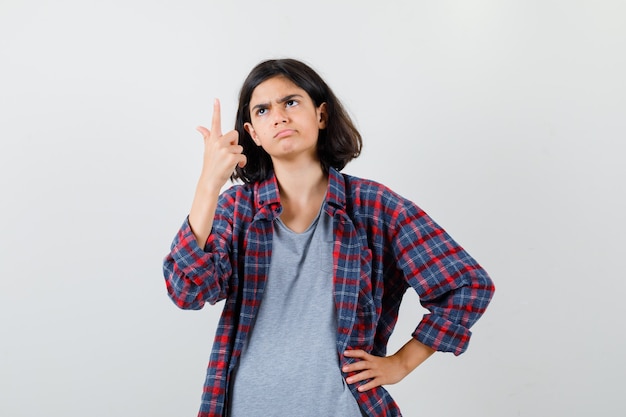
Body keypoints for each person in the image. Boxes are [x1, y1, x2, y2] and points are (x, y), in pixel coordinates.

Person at [163, 58, 495, 417]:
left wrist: (401, 363)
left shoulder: (374, 206)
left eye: (291, 102)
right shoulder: (236, 209)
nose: (279, 115)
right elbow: (188, 291)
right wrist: (208, 185)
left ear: (321, 115)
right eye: (262, 110)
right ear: (253, 133)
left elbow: (467, 284)